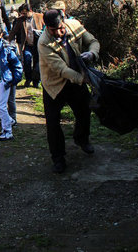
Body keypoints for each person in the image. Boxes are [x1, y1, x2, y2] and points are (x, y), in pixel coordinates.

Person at [38, 9, 100, 174]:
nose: (58, 33)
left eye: (60, 28)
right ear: (46, 27)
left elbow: (93, 41)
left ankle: (82, 139)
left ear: (64, 21)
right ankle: (58, 158)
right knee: (53, 123)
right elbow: (62, 69)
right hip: (54, 85)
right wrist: (84, 79)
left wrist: (92, 54)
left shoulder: (75, 26)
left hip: (76, 80)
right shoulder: (43, 42)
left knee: (84, 111)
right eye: (53, 30)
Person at [0, 23, 23, 141]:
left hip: (4, 81)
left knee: (1, 107)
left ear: (1, 35)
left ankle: (7, 131)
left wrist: (13, 80)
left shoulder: (6, 49)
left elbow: (17, 65)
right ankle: (9, 120)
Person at [9, 4, 44, 88]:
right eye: (22, 13)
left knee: (37, 63)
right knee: (27, 59)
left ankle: (36, 81)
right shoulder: (21, 20)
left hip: (38, 44)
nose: (23, 15)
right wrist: (10, 41)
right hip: (27, 44)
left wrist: (40, 32)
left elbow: (46, 28)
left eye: (25, 13)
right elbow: (14, 31)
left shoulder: (39, 17)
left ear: (30, 11)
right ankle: (28, 79)